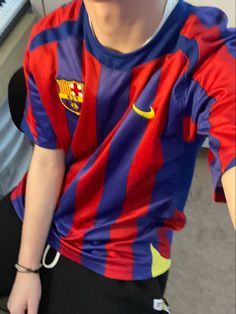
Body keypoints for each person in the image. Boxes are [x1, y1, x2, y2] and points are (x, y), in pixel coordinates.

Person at [0, 0, 235, 313]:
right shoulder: (50, 38)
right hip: (37, 206)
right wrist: (26, 269)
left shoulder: (207, 51)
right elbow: (47, 158)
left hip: (123, 251)